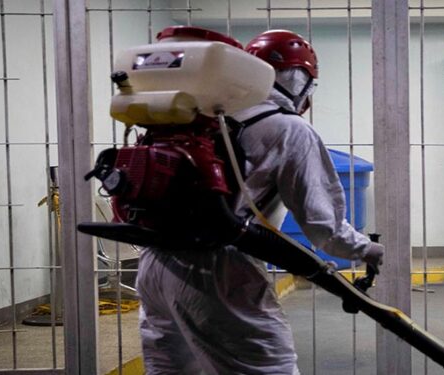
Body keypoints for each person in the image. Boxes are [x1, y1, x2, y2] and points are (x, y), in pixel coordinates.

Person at [136, 29, 385, 374]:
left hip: (154, 265)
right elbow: (325, 229)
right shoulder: (287, 129)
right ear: (302, 83)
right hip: (218, 269)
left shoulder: (204, 116)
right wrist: (368, 250)